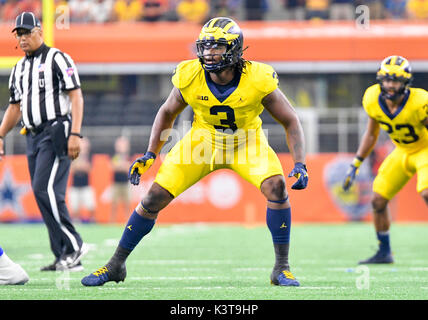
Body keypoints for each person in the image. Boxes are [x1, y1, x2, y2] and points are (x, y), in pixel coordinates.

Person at [81, 17, 308, 287]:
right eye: (206, 46)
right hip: (202, 142)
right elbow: (167, 111)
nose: (209, 53)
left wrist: (300, 162)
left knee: (277, 187)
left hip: (247, 142)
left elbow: (290, 119)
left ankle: (281, 268)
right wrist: (151, 153)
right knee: (154, 196)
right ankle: (116, 264)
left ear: (235, 49)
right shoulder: (190, 75)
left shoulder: (258, 78)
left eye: (217, 47)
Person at [0, 12, 88, 272]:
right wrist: (1, 133)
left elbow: (76, 97)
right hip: (32, 134)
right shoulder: (18, 69)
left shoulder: (58, 58)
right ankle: (63, 255)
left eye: (27, 32)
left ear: (40, 31)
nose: (23, 38)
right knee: (46, 195)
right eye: (19, 34)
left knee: (43, 189)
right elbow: (14, 108)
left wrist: (75, 133)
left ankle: (74, 246)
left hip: (56, 130)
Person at [343, 55, 428, 264]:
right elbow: (371, 134)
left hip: (425, 150)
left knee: (427, 193)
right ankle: (384, 251)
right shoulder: (372, 98)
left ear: (406, 82)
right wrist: (356, 162)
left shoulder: (420, 102)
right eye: (388, 79)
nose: (391, 85)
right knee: (378, 200)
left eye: (396, 80)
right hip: (402, 151)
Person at [69, 137, 96, 222]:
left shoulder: (90, 155)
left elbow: (89, 168)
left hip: (86, 185)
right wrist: (80, 165)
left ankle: (92, 221)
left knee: (91, 206)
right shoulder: (74, 153)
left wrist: (79, 166)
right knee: (75, 207)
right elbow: (71, 168)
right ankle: (76, 222)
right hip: (75, 185)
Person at [110, 135, 132, 223]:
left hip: (126, 183)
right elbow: (113, 167)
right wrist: (122, 166)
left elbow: (129, 168)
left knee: (127, 203)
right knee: (114, 203)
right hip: (116, 183)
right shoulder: (115, 155)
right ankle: (112, 221)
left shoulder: (128, 155)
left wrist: (121, 166)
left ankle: (128, 221)